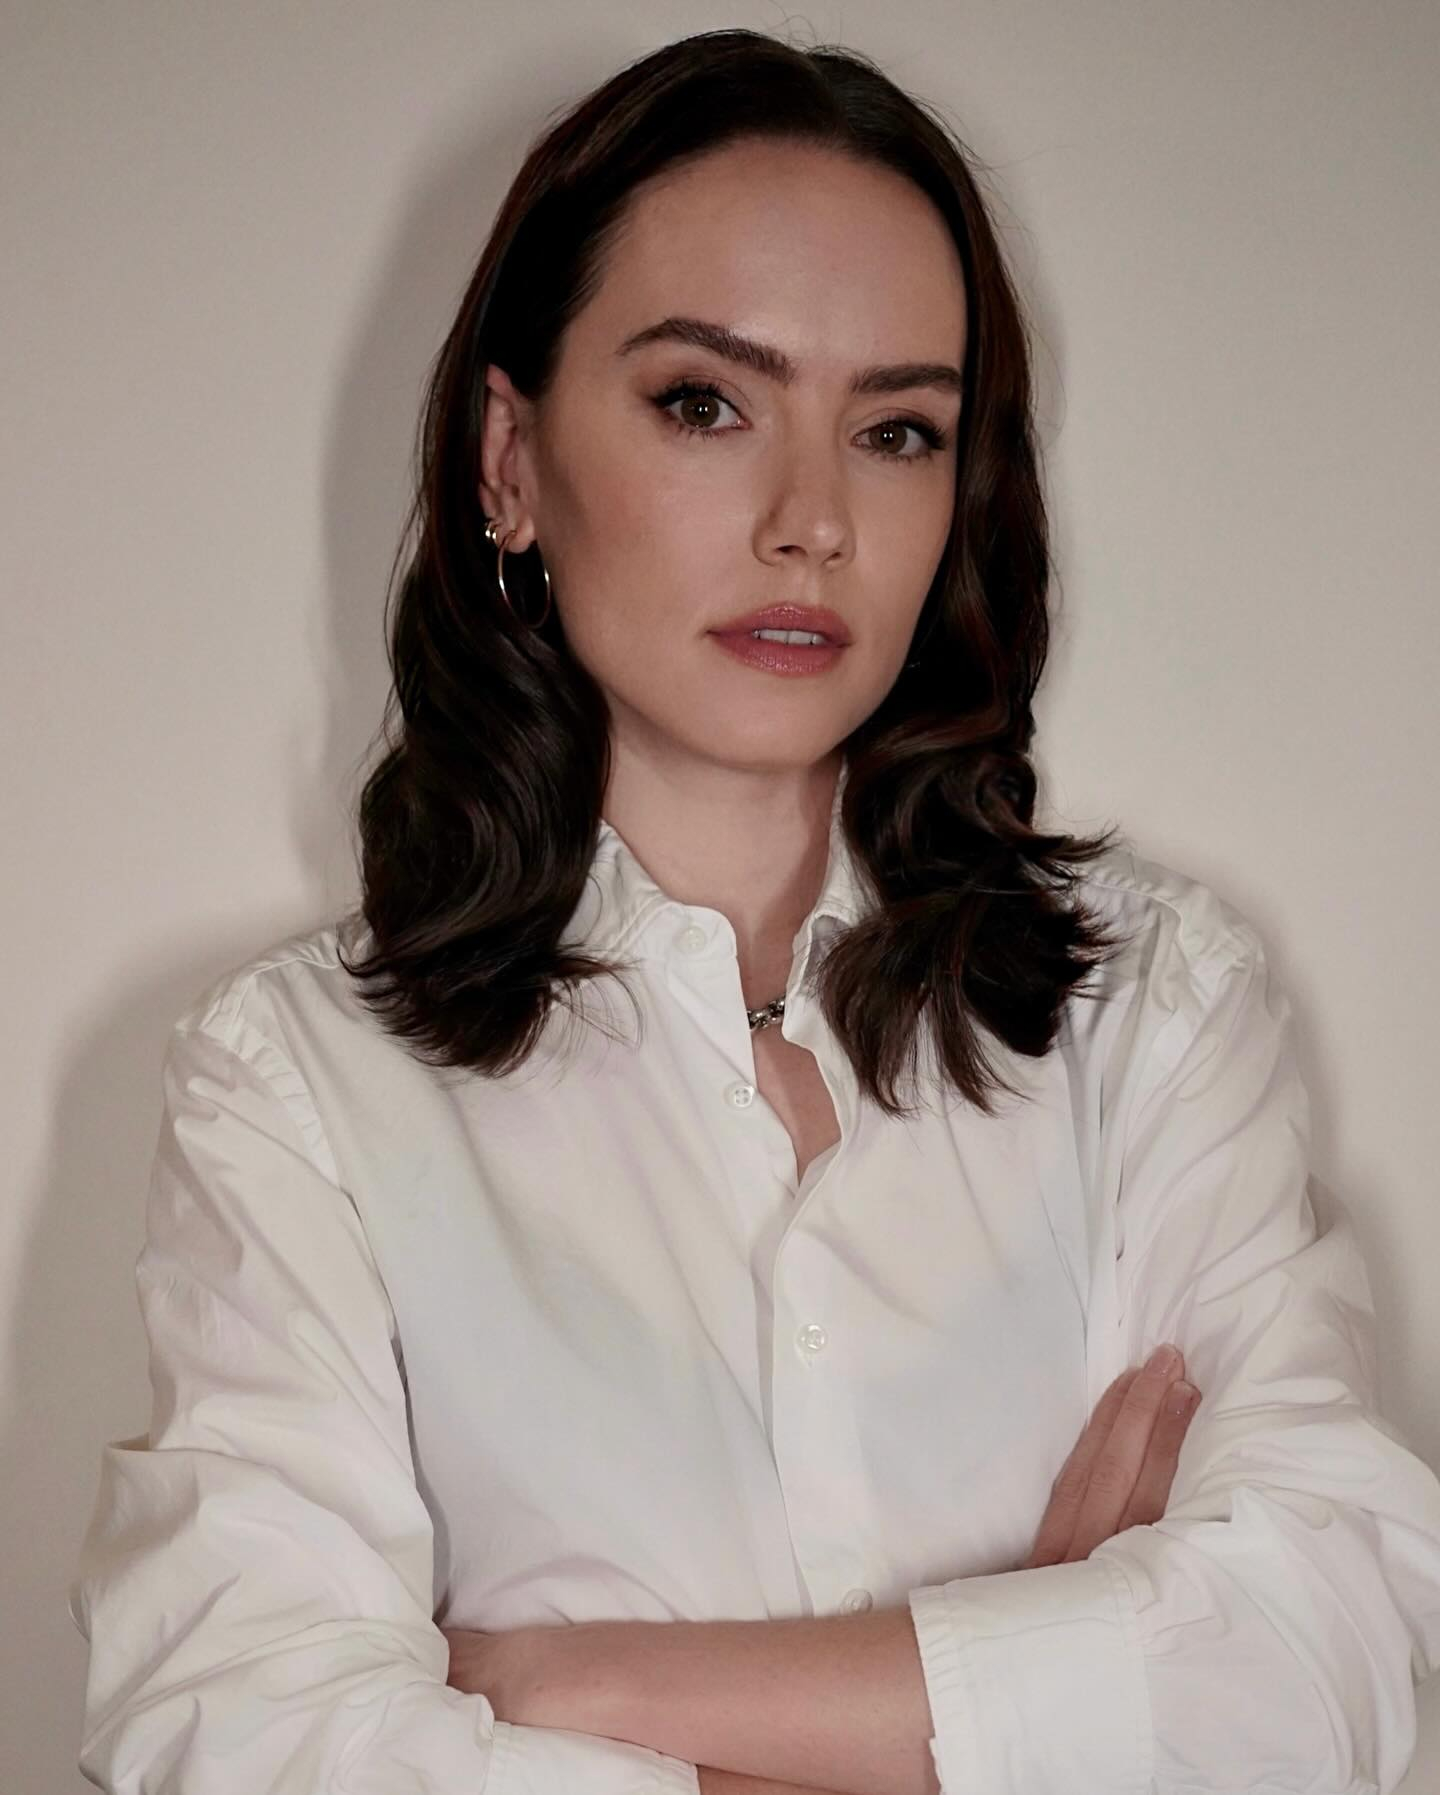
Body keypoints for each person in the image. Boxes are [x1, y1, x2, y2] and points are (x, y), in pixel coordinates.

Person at [69, 26, 1440, 1795]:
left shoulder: (1155, 1011)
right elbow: (242, 1739)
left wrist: (553, 1685)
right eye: (705, 403)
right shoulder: (299, 1088)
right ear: (509, 461)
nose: (813, 523)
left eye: (897, 430)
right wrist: (1035, 1697)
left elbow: (1334, 1644)